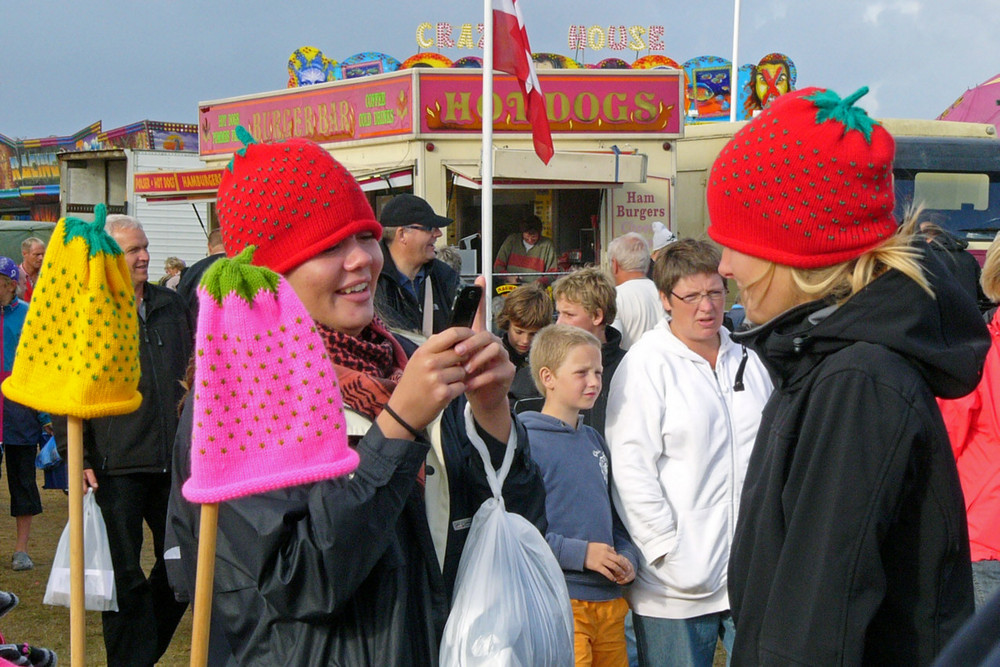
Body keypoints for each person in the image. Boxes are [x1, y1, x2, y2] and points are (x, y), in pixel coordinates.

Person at [165, 134, 546, 665]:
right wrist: (398, 428)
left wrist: (491, 413)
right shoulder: (243, 398)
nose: (361, 261)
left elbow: (512, 522)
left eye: (365, 236)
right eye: (327, 247)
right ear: (273, 272)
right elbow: (299, 581)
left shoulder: (405, 364)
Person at [706, 86, 989, 664]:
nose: (724, 266)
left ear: (796, 248)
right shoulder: (825, 358)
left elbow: (816, 627)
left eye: (736, 243)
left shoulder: (857, 381)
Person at [605, 239, 772, 666]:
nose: (706, 307)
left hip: (750, 576)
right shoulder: (646, 365)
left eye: (715, 293)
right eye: (692, 296)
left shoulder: (749, 360)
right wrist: (665, 549)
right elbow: (630, 468)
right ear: (665, 299)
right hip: (672, 590)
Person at [55, 214, 191, 665]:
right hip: (116, 465)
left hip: (174, 462)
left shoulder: (173, 306)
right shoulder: (87, 310)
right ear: (108, 256)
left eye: (146, 246)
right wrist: (79, 455)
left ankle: (137, 657)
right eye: (134, 250)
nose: (145, 256)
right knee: (122, 576)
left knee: (185, 566)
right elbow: (65, 388)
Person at [520, 324, 638, 665]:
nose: (594, 381)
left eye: (598, 371)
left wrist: (628, 556)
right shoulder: (527, 442)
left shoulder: (594, 440)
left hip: (609, 602)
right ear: (548, 377)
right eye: (582, 372)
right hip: (561, 599)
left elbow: (613, 517)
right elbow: (521, 530)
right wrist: (580, 554)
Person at [937, 233, 1000, 609]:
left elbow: (943, 446)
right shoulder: (976, 353)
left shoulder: (974, 352)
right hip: (986, 543)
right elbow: (944, 444)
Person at [0, 257, 51, 572]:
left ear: (11, 283)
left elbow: (41, 367)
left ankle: (21, 549)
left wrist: (44, 413)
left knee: (22, 479)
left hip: (20, 405)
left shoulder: (30, 317)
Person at [552, 267, 625, 437]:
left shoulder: (631, 367)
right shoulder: (553, 368)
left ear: (597, 316)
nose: (559, 324)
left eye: (569, 315)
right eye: (558, 314)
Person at [374, 193, 460, 337]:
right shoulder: (371, 281)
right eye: (429, 227)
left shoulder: (445, 276)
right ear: (402, 234)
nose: (438, 234)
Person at [495, 281, 553, 409]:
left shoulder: (550, 358)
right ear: (507, 323)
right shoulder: (494, 357)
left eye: (533, 334)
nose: (525, 340)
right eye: (519, 332)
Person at [607, 232, 664, 350]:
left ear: (615, 265)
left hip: (627, 366)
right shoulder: (665, 295)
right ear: (647, 265)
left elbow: (612, 343)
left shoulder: (614, 297)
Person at [919, 218, 986, 309]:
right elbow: (983, 293)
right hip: (968, 318)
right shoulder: (968, 258)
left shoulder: (923, 259)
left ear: (923, 237)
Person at [494, 214, 558, 284]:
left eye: (533, 237)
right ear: (522, 232)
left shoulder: (547, 245)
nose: (530, 240)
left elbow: (552, 274)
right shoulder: (512, 240)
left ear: (539, 233)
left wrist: (539, 282)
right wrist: (508, 277)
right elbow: (498, 266)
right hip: (510, 288)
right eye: (527, 237)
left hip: (535, 290)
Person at [17, 237, 44, 302]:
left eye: (43, 254)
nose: (41, 258)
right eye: (37, 254)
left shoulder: (46, 274)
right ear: (24, 254)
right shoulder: (14, 275)